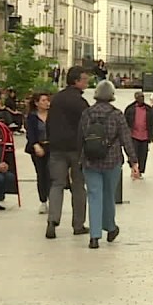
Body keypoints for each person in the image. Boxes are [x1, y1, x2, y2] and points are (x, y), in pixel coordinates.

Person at [78, 80, 139, 249]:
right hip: (112, 160)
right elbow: (126, 139)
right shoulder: (116, 114)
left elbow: (81, 137)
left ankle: (94, 236)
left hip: (90, 160)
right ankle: (110, 227)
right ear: (112, 95)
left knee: (94, 196)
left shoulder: (87, 114)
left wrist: (79, 159)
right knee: (109, 195)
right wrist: (133, 161)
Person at [46, 66, 91, 239]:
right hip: (76, 149)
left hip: (57, 148)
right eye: (85, 79)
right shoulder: (80, 102)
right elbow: (87, 125)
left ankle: (52, 220)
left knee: (57, 184)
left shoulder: (56, 99)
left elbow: (49, 122)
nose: (87, 82)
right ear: (76, 81)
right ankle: (78, 224)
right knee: (78, 185)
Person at [24, 92, 52, 215]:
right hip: (37, 147)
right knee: (41, 174)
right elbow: (30, 133)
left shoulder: (53, 115)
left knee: (51, 173)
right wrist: (36, 145)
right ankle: (43, 200)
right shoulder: (32, 117)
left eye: (47, 100)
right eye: (43, 100)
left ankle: (53, 198)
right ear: (36, 103)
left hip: (51, 147)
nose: (46, 103)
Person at [124, 90, 153, 178]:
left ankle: (140, 171)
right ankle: (133, 169)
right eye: (139, 97)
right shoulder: (130, 109)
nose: (141, 99)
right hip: (133, 135)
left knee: (143, 155)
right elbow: (125, 122)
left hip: (145, 135)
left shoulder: (148, 109)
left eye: (142, 97)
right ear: (136, 98)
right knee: (133, 154)